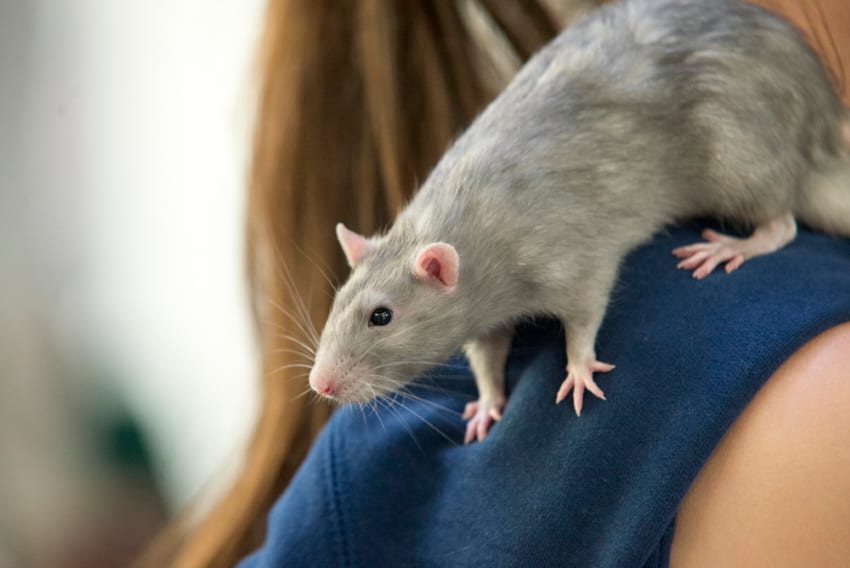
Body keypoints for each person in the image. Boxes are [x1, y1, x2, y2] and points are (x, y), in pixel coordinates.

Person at [144, 1, 850, 566]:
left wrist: (549, 369)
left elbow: (566, 285)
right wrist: (512, 382)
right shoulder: (811, 394)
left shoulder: (379, 465)